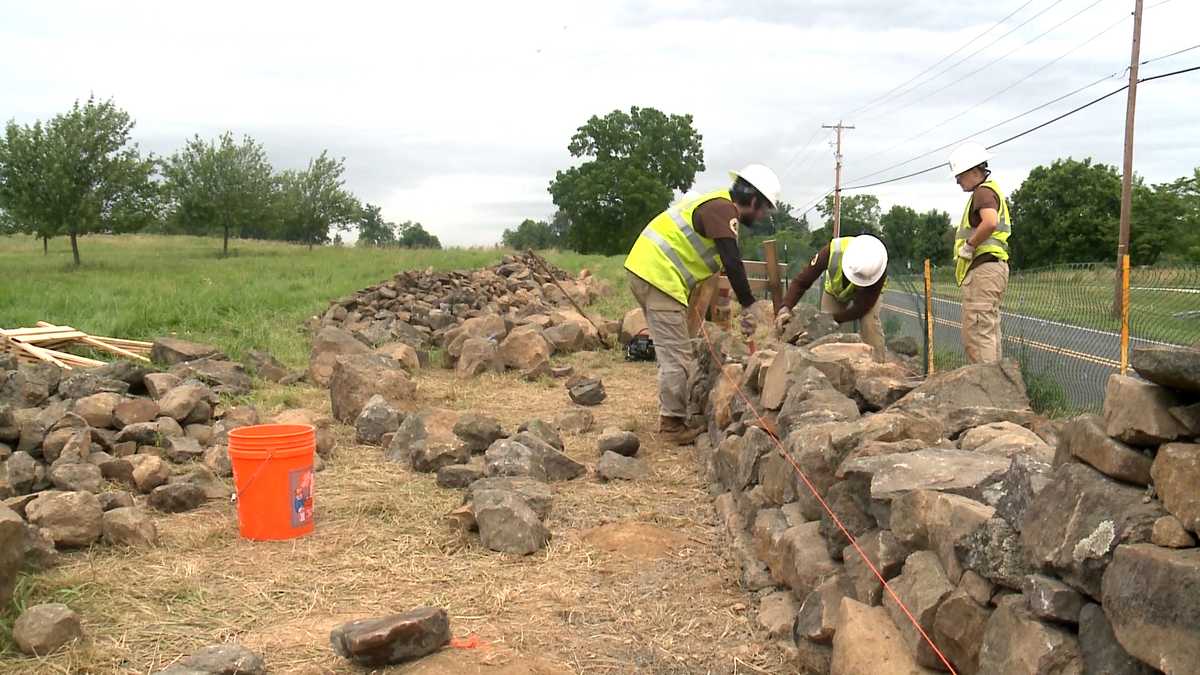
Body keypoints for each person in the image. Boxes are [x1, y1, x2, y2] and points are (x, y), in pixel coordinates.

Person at [624, 164, 781, 444]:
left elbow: (716, 270)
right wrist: (749, 305)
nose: (761, 217)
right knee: (677, 356)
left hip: (649, 271)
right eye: (764, 210)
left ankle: (672, 412)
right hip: (659, 276)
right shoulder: (723, 210)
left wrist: (737, 306)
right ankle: (671, 426)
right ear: (754, 200)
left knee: (672, 350)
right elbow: (732, 262)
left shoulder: (717, 208)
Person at [775, 234, 889, 359]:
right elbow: (802, 281)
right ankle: (825, 363)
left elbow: (861, 308)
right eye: (857, 278)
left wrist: (834, 318)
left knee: (869, 323)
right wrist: (786, 307)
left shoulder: (878, 269)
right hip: (835, 291)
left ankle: (877, 363)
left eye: (862, 281)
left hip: (867, 297)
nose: (858, 284)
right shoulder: (833, 251)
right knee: (824, 331)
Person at [948, 142, 1012, 363]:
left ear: (974, 171)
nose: (958, 181)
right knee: (987, 331)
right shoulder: (989, 191)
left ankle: (986, 382)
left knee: (977, 334)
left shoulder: (983, 192)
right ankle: (995, 379)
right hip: (993, 269)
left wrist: (970, 245)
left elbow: (990, 222)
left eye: (960, 175)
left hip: (983, 270)